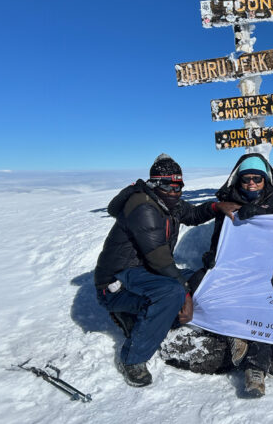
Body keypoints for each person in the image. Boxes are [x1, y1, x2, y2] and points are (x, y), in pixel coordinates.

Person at [94, 154, 240, 387]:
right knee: (173, 292)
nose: (174, 191)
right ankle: (133, 359)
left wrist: (215, 207)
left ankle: (135, 315)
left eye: (178, 186)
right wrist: (185, 294)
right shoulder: (143, 206)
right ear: (154, 184)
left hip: (143, 274)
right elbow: (159, 259)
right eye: (168, 185)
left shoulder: (168, 203)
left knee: (196, 277)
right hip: (117, 281)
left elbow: (191, 215)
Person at [189, 153, 273, 397]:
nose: (251, 183)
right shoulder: (227, 202)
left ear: (266, 181)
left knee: (261, 306)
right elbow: (220, 237)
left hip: (262, 269)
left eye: (257, 179)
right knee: (197, 285)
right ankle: (232, 333)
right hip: (231, 266)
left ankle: (255, 369)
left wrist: (261, 216)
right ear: (238, 181)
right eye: (246, 179)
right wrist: (212, 256)